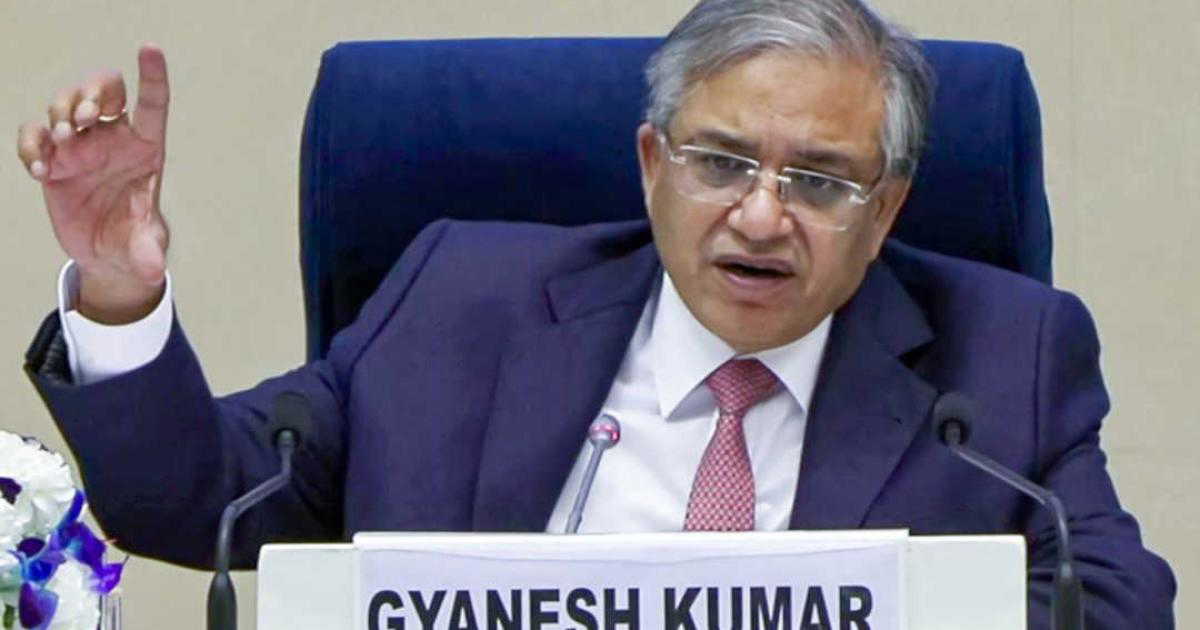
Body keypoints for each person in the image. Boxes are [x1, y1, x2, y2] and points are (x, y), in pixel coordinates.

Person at [14, 0, 1175, 627]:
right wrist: (120, 286)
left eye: (820, 182)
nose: (761, 217)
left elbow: (1117, 607)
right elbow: (191, 500)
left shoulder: (1003, 355)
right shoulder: (459, 304)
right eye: (721, 162)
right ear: (651, 166)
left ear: (887, 212)